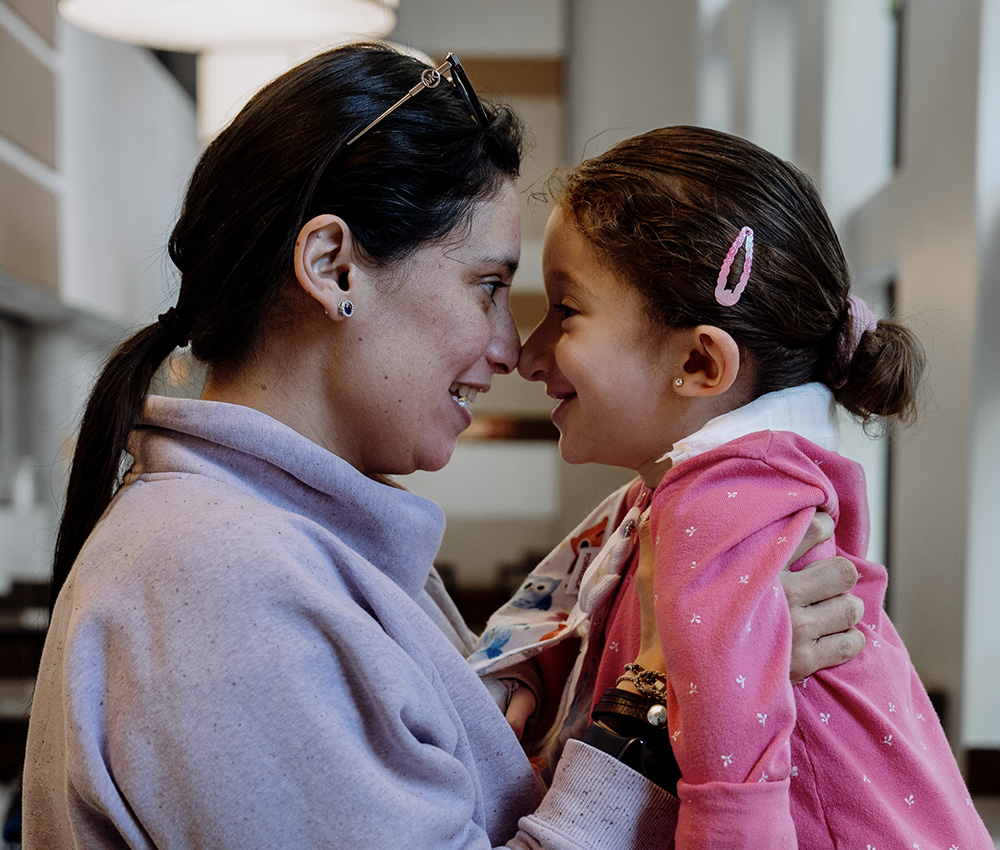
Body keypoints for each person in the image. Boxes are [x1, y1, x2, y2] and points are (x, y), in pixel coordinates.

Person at [22, 46, 864, 849]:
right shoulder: (218, 582)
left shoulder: (276, 547)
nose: (512, 349)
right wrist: (673, 691)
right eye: (488, 287)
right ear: (333, 266)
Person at [471, 126, 992, 849]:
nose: (528, 354)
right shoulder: (686, 492)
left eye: (566, 311)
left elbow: (734, 784)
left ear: (699, 363)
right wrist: (535, 667)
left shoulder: (722, 505)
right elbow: (588, 600)